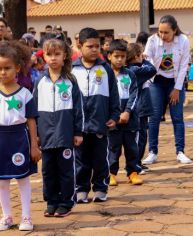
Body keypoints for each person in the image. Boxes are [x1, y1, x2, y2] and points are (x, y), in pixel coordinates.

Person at [0, 40, 40, 231]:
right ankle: (6, 216)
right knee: (2, 181)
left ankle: (27, 217)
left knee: (23, 179)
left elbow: (31, 121)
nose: (3, 72)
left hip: (20, 139)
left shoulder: (25, 94)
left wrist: (34, 146)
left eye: (7, 68)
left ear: (18, 68)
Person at [33, 38, 83, 217]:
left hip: (65, 135)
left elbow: (78, 108)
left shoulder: (71, 80)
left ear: (65, 56)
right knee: (48, 171)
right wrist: (36, 134)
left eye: (57, 54)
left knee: (66, 170)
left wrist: (78, 132)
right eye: (49, 54)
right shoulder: (40, 81)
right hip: (45, 136)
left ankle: (66, 202)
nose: (53, 58)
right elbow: (33, 110)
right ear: (44, 57)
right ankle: (52, 201)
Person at [72, 27, 120, 203]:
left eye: (97, 46)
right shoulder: (71, 70)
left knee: (100, 159)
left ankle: (100, 188)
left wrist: (114, 116)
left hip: (100, 124)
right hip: (79, 127)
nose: (94, 50)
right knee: (81, 159)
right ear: (79, 45)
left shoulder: (105, 69)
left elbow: (114, 96)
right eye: (89, 46)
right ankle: (81, 189)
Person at [142, 15, 192, 165]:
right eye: (160, 32)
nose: (162, 36)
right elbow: (146, 59)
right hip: (156, 82)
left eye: (166, 33)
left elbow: (184, 65)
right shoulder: (152, 41)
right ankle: (152, 152)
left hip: (175, 82)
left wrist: (177, 88)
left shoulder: (183, 40)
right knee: (154, 117)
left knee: (177, 117)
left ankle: (180, 152)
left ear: (174, 30)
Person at [106, 39, 143, 186]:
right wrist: (113, 116)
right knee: (113, 147)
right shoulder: (105, 75)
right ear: (109, 56)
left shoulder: (130, 75)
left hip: (130, 118)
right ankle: (111, 173)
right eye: (116, 56)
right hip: (112, 118)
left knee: (131, 146)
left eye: (122, 56)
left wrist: (127, 112)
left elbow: (134, 94)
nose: (120, 59)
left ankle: (133, 172)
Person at [126, 42, 157, 173]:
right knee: (139, 137)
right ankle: (134, 165)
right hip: (139, 108)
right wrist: (145, 60)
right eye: (140, 55)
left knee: (142, 136)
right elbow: (153, 69)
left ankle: (137, 162)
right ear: (137, 55)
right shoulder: (135, 70)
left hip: (141, 108)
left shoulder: (134, 68)